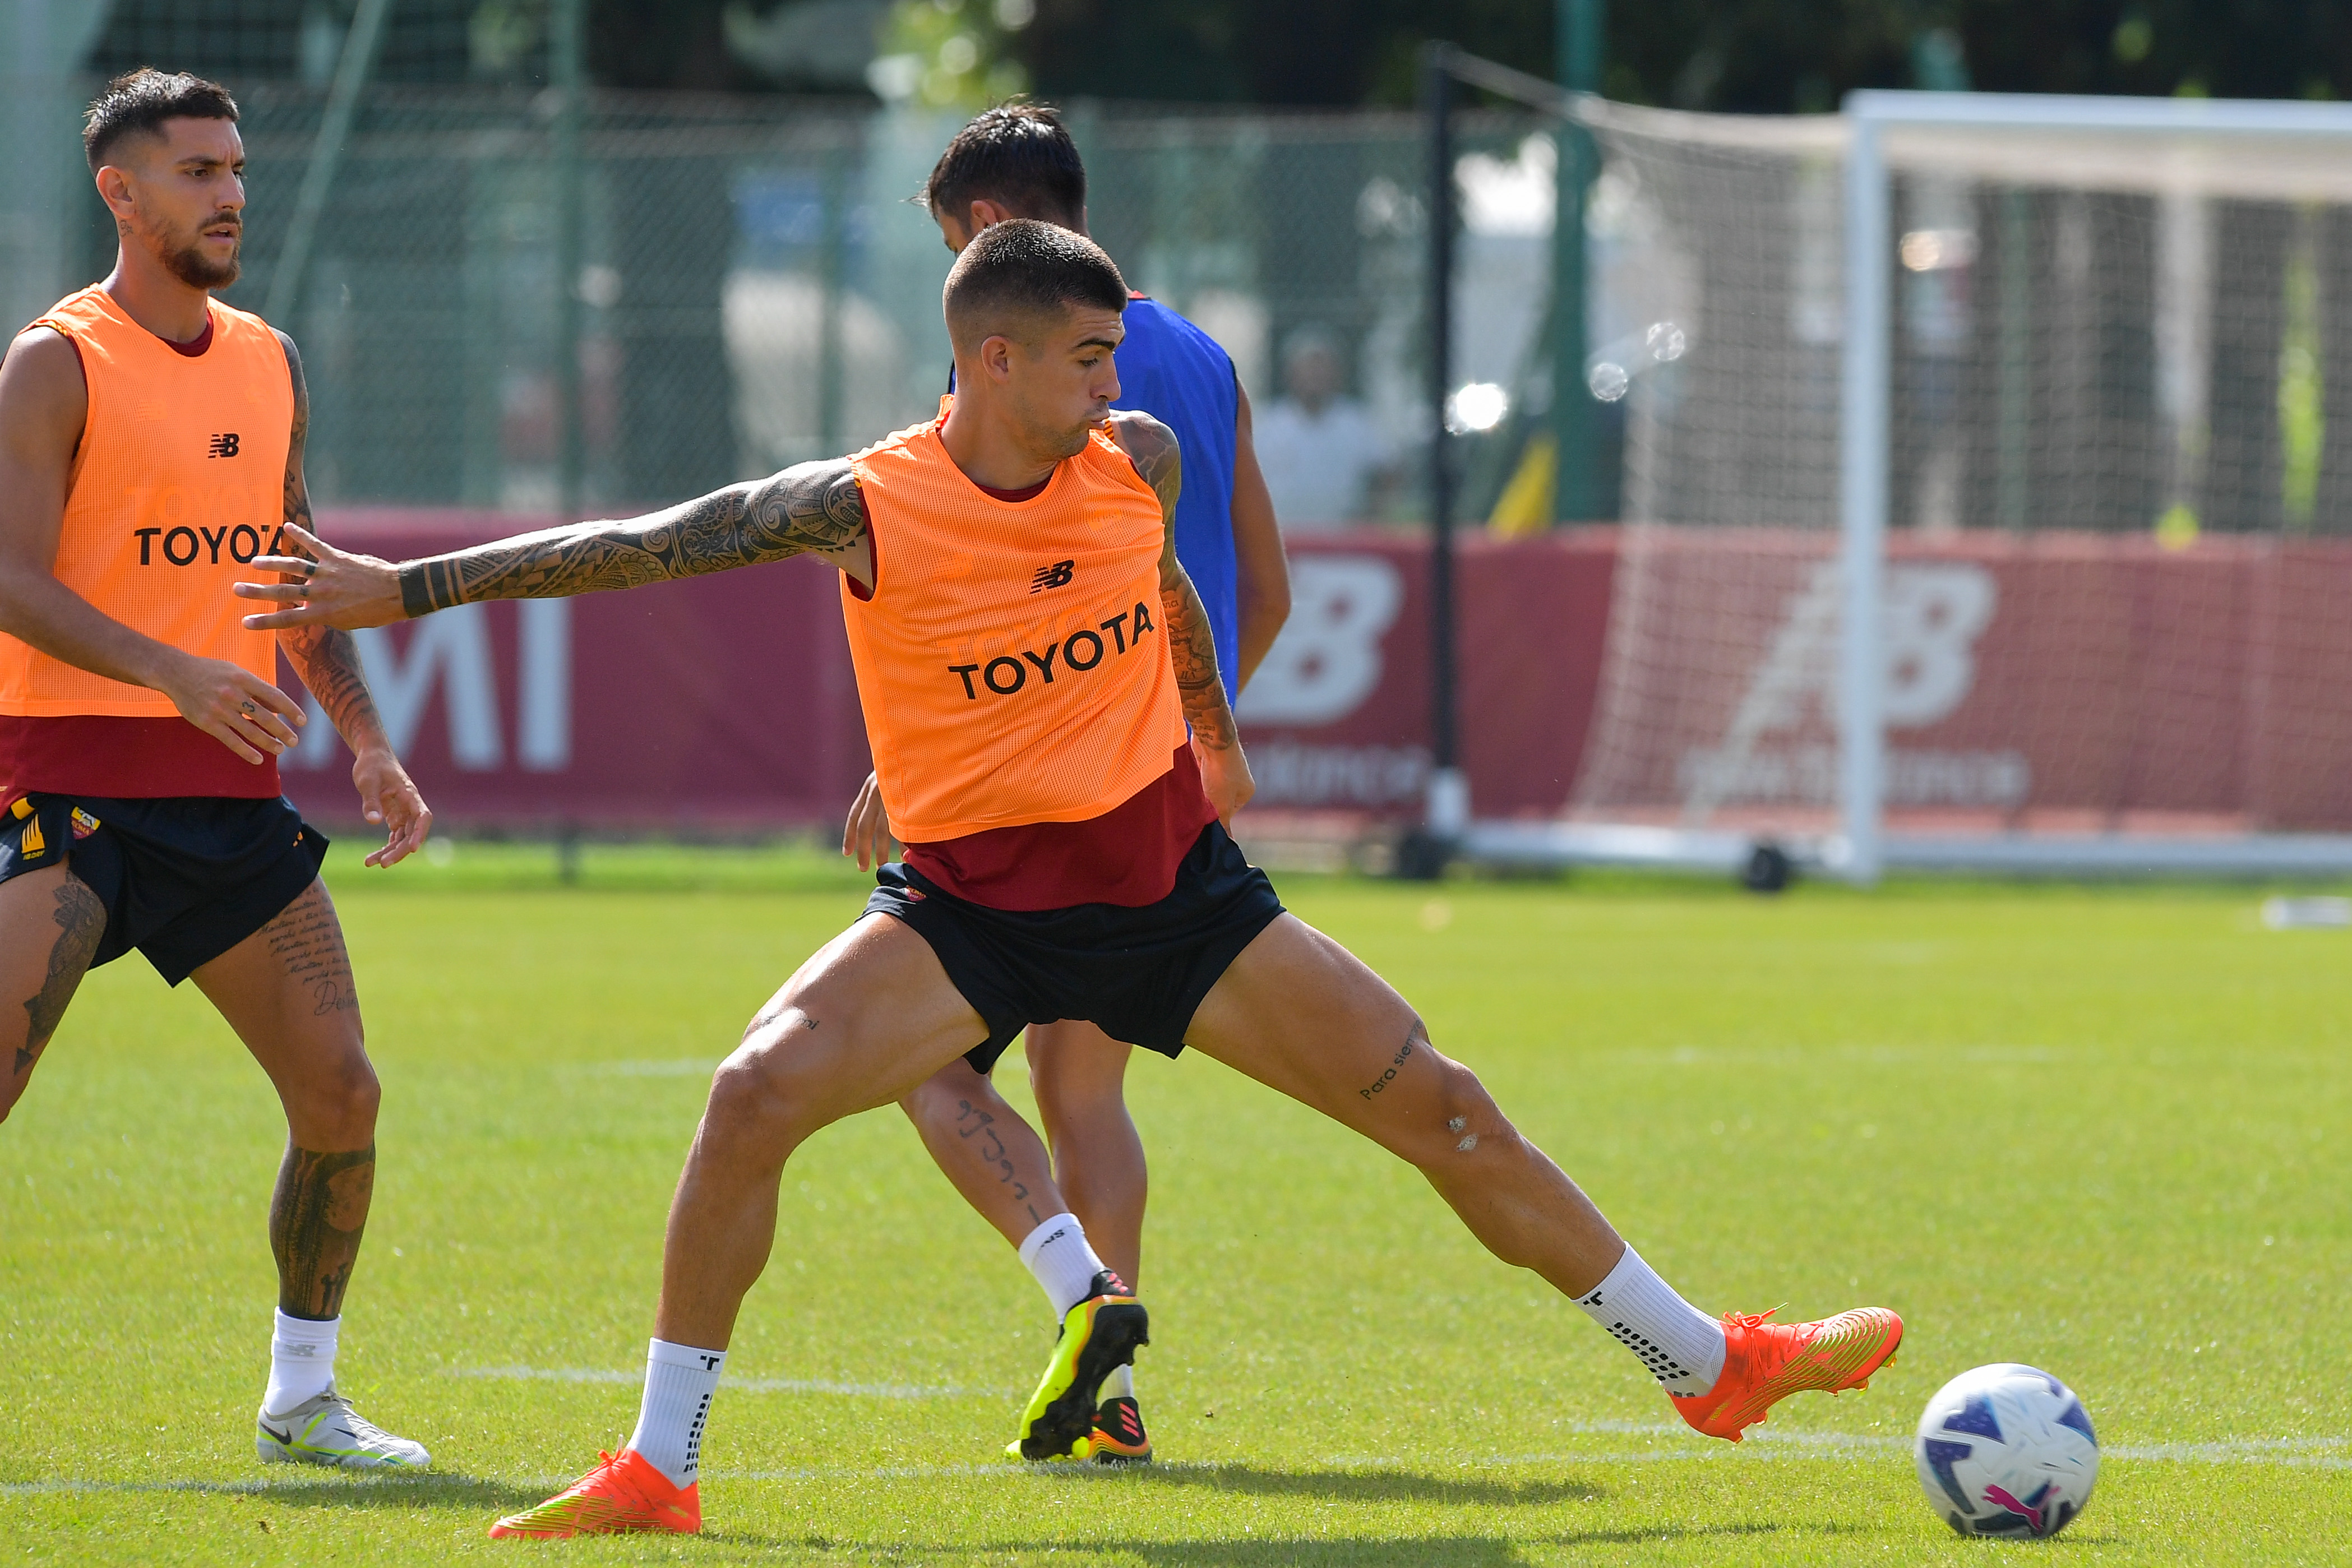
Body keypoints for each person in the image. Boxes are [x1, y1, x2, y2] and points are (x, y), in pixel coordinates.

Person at [241, 220, 1902, 1541]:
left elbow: (1165, 585)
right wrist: (411, 585)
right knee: (751, 1093)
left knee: (1450, 1109)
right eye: (1093, 352)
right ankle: (659, 1463)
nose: (1122, 377)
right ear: (994, 356)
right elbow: (642, 538)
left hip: (1174, 890)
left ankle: (1712, 1364)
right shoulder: (864, 500)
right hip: (969, 913)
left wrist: (1203, 711)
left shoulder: (1137, 456)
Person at [837, 101, 1291, 1467]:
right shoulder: (1205, 356)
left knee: (925, 1058)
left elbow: (989, 602)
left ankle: (1098, 1343)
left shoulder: (1020, 370)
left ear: (985, 232)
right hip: (1159, 787)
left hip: (1038, 797)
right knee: (1083, 1089)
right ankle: (1112, 1384)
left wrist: (908, 767)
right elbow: (1262, 591)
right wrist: (1187, 734)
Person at [0, 70, 434, 1470]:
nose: (231, 193)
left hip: (228, 802)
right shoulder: (53, 362)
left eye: (236, 167)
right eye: (196, 171)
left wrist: (366, 740)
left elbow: (292, 570)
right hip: (62, 791)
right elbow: (6, 577)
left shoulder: (270, 358)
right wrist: (173, 670)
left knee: (345, 1099)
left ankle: (302, 1399)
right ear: (121, 194)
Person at [1251, 327, 1397, 529]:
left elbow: (1387, 470)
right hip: (1283, 538)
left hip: (1342, 538)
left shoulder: (1356, 423)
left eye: (1322, 367)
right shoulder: (1266, 424)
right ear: (1290, 374)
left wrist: (1371, 515)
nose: (1315, 375)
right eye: (1307, 368)